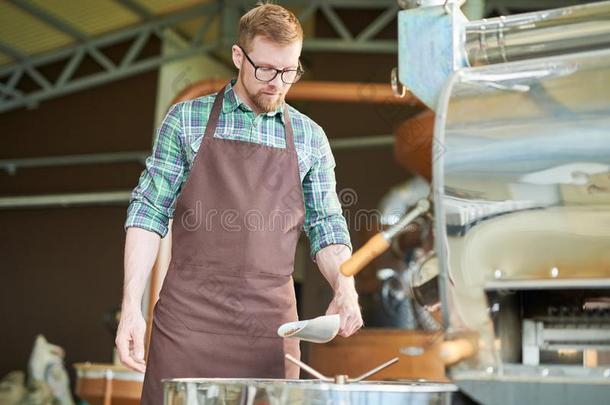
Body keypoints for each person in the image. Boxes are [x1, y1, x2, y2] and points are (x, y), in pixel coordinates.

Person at [115, 3, 363, 403]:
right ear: (238, 56)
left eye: (289, 72)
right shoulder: (186, 119)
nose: (277, 84)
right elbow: (148, 212)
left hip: (270, 331)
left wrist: (344, 287)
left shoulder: (310, 137)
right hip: (187, 325)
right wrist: (131, 306)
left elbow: (327, 225)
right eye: (265, 69)